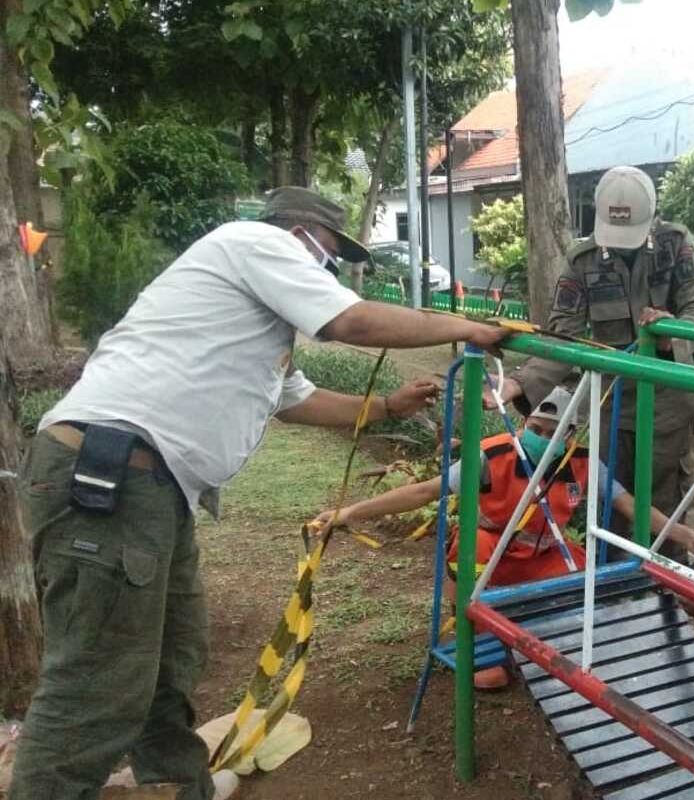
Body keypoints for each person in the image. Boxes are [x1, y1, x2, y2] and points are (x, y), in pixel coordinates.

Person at [12, 186, 509, 800]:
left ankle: (173, 784)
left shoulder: (254, 317)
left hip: (148, 488)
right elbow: (350, 319)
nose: (328, 270)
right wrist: (467, 327)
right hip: (109, 479)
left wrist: (384, 405)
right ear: (299, 235)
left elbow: (295, 399)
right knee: (96, 680)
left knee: (172, 656)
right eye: (328, 254)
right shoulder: (254, 242)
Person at [315, 386, 694, 689]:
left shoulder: (581, 463)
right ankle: (477, 631)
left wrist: (686, 534)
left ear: (570, 435)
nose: (538, 436)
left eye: (550, 431)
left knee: (578, 577)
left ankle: (543, 635)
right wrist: (348, 512)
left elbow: (631, 506)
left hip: (542, 556)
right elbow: (423, 491)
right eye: (533, 427)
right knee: (490, 674)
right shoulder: (492, 457)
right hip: (489, 552)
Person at [486, 166, 694, 557]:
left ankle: (661, 597)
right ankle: (607, 597)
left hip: (668, 403)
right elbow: (564, 334)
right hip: (613, 401)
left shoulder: (675, 244)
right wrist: (518, 383)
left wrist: (673, 328)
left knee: (664, 510)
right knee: (611, 506)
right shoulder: (583, 260)